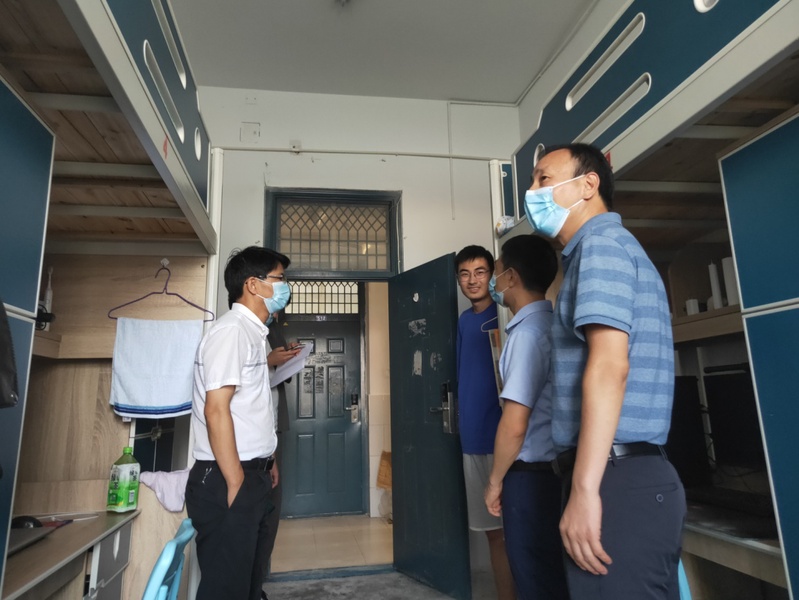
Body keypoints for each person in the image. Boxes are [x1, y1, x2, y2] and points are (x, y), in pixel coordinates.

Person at [525, 143, 685, 598]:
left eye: (543, 179)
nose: (532, 192)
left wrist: (584, 489)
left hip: (613, 475)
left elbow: (610, 366)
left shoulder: (601, 246)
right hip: (621, 473)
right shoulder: (605, 250)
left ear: (588, 184)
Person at [185, 246, 293, 600]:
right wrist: (236, 482)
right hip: (226, 477)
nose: (285, 286)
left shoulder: (253, 334)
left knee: (248, 583)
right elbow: (216, 410)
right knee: (226, 589)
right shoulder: (230, 332)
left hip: (251, 472)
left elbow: (249, 408)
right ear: (253, 284)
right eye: (279, 279)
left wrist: (268, 459)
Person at [483, 234, 568, 600]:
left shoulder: (527, 336)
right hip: (555, 473)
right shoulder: (553, 326)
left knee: (534, 576)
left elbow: (515, 424)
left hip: (531, 478)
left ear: (512, 277)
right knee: (553, 575)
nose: (494, 281)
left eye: (496, 272)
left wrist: (495, 481)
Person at [455, 245, 516, 600]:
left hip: (505, 440)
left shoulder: (506, 315)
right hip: (473, 440)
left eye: (480, 272)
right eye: (465, 274)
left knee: (516, 532)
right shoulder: (465, 321)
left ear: (493, 275)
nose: (472, 280)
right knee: (494, 534)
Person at [262, 309, 299, 581]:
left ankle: (258, 578)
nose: (276, 311)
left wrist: (289, 357)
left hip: (274, 424)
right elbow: (238, 376)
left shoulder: (274, 330)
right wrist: (267, 362)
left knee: (273, 502)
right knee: (255, 506)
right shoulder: (243, 330)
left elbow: (284, 377)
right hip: (252, 428)